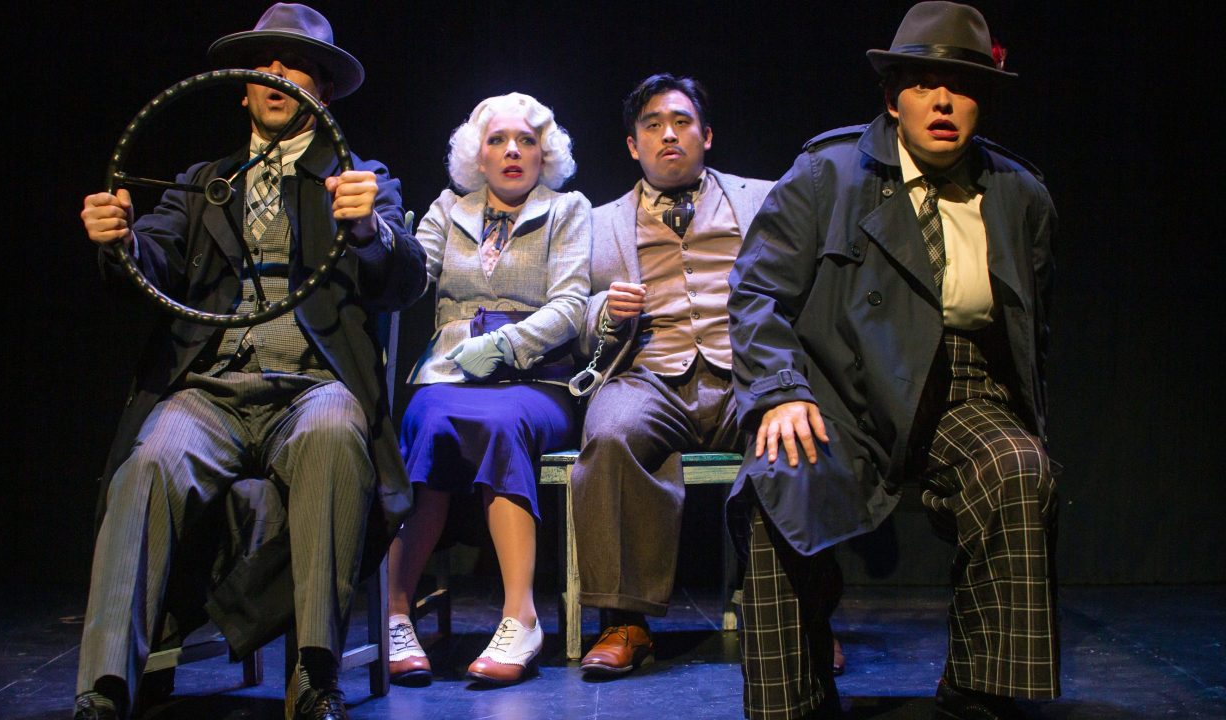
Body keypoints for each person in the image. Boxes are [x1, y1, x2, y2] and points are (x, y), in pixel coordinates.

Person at [74, 5, 426, 719]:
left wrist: (366, 228)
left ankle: (315, 673)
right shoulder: (204, 182)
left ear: (320, 90)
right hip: (213, 391)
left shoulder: (358, 177)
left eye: (293, 64)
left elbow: (405, 279)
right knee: (146, 464)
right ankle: (106, 686)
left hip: (315, 387)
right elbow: (153, 262)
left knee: (333, 436)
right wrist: (119, 241)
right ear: (241, 87)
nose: (275, 74)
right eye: (262, 64)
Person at [728, 2, 1059, 718]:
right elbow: (756, 293)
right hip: (835, 394)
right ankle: (796, 697)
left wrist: (1028, 421)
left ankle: (982, 687)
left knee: (1018, 469)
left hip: (965, 394)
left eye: (962, 86)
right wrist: (781, 390)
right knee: (779, 479)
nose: (943, 101)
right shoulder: (828, 173)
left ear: (984, 101)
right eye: (922, 83)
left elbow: (1032, 329)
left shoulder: (1019, 196)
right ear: (892, 98)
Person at [568, 73, 774, 676]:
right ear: (634, 145)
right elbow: (575, 312)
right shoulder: (598, 220)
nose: (668, 135)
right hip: (648, 375)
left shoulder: (761, 198)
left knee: (792, 436)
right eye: (653, 125)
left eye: (682, 122)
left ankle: (796, 611)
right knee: (610, 435)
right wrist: (605, 310)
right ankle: (624, 621)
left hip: (745, 372)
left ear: (706, 135)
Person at [384, 93, 590, 687]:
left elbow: (572, 304)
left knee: (502, 424)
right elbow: (407, 276)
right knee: (429, 424)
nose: (512, 151)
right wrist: (372, 235)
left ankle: (520, 616)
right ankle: (396, 611)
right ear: (478, 154)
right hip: (449, 374)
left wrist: (503, 348)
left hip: (535, 377)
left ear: (544, 153)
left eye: (526, 141)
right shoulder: (446, 211)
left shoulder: (567, 210)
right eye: (498, 140)